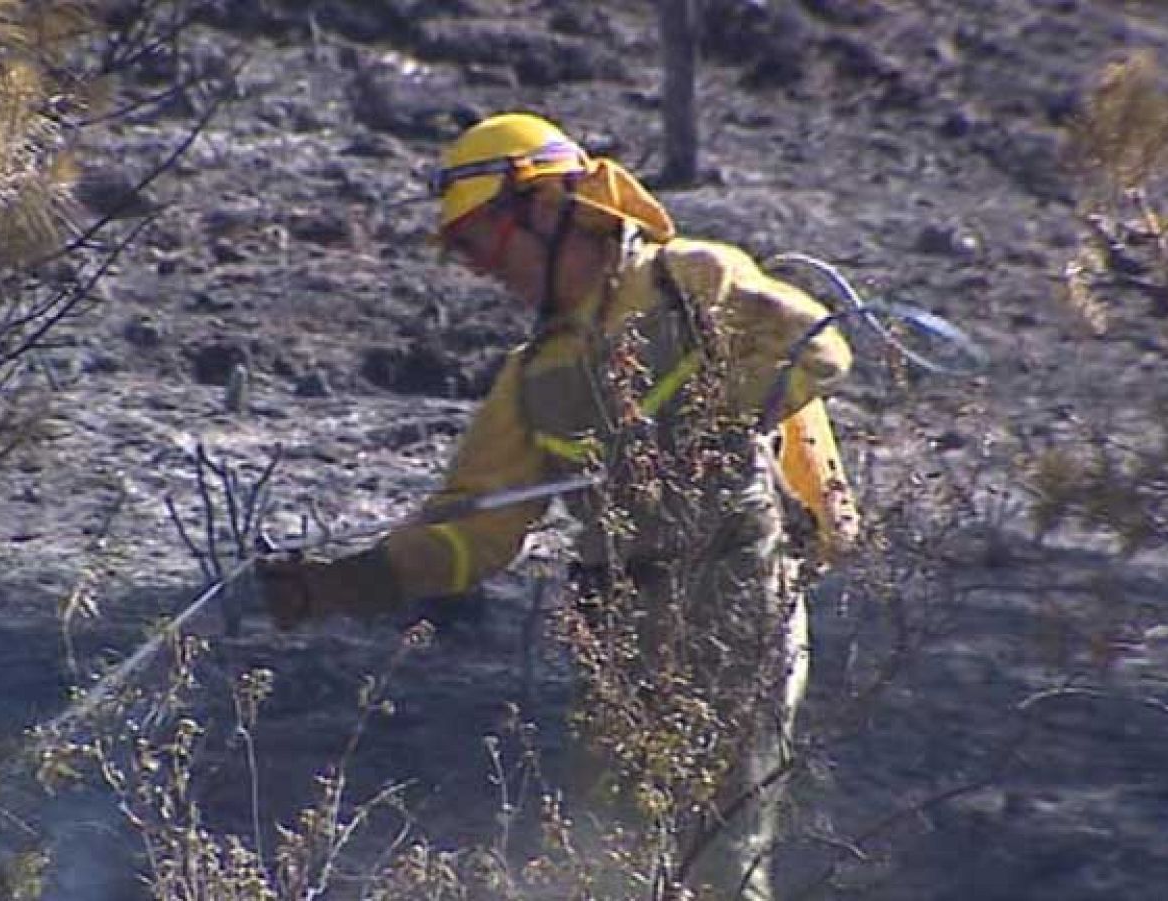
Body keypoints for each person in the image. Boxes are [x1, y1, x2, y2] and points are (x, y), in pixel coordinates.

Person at [260, 112, 859, 898]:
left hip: (736, 599)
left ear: (547, 210)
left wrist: (721, 412)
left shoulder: (691, 281)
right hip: (618, 624)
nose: (477, 267)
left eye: (479, 239)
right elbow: (475, 532)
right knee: (602, 864)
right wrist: (345, 582)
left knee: (720, 863)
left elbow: (819, 351)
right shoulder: (535, 372)